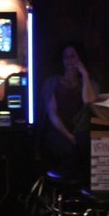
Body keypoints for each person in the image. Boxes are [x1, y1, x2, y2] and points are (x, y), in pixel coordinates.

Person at [37, 41, 97, 173]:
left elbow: (89, 101)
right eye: (66, 57)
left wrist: (85, 75)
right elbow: (53, 114)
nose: (70, 60)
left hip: (79, 131)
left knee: (90, 151)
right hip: (57, 131)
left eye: (73, 56)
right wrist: (69, 136)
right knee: (71, 152)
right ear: (62, 60)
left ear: (79, 58)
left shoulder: (87, 83)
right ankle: (65, 190)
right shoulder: (52, 82)